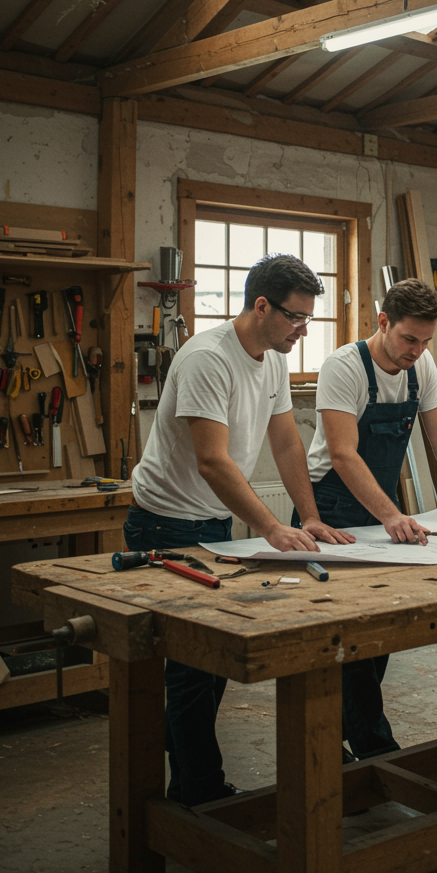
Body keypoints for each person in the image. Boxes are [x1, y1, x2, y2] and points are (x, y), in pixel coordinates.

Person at [124, 253, 353, 807]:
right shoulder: (207, 358)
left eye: (308, 320)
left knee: (209, 662)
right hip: (164, 520)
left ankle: (184, 777)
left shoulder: (272, 358)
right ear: (260, 305)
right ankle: (197, 794)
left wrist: (310, 515)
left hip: (213, 521)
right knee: (190, 668)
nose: (303, 331)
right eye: (296, 319)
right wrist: (271, 526)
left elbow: (286, 442)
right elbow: (213, 462)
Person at [299, 277, 437, 759]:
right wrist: (394, 514)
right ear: (383, 323)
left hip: (378, 507)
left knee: (377, 630)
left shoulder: (422, 365)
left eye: (425, 342)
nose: (416, 351)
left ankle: (338, 741)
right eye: (408, 339)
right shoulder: (344, 366)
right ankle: (373, 751)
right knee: (342, 632)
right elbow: (342, 454)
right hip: (330, 507)